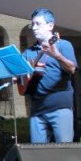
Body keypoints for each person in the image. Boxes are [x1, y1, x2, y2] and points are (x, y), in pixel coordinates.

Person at [20, 8, 77, 143]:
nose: (34, 28)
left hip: (59, 106)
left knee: (64, 151)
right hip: (36, 109)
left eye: (38, 24)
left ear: (50, 25)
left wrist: (57, 56)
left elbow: (72, 69)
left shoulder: (63, 45)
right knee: (38, 154)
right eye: (32, 24)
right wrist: (17, 78)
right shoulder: (29, 52)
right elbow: (20, 75)